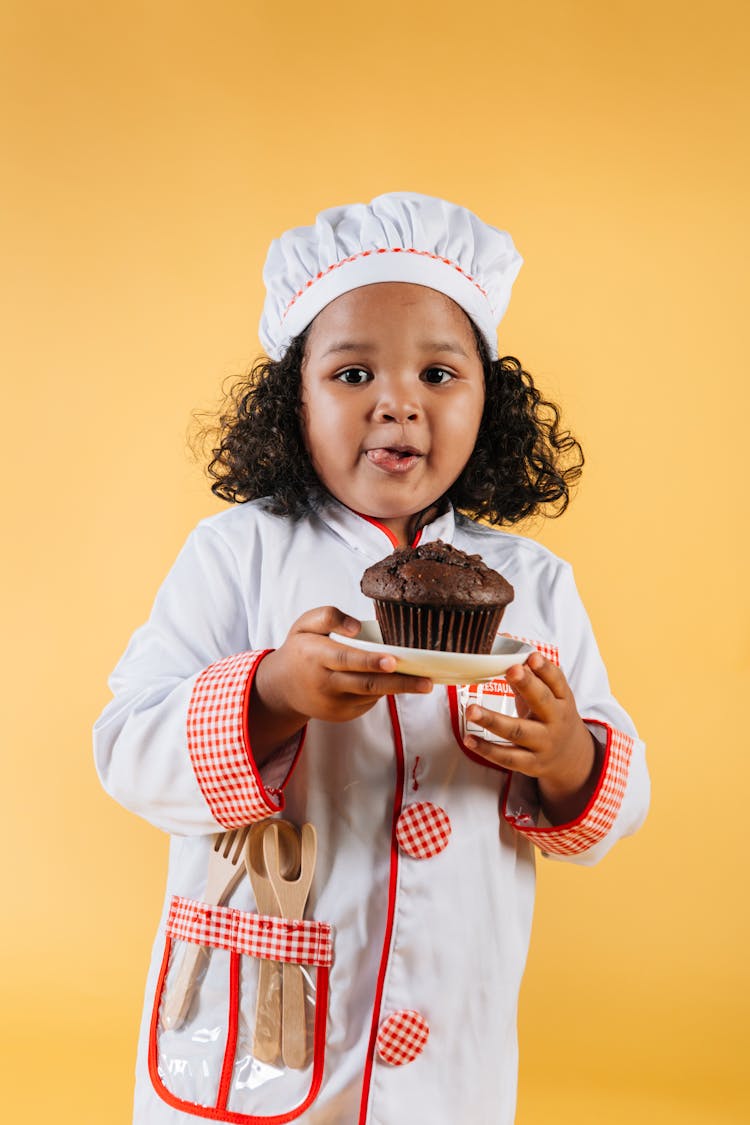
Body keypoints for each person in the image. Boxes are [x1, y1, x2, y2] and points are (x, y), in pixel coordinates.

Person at [94, 192, 650, 1125]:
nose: (397, 400)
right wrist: (269, 694)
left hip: (453, 1038)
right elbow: (125, 746)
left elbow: (617, 804)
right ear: (292, 401)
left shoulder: (534, 583)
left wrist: (569, 760)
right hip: (266, 1008)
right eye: (353, 374)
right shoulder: (239, 554)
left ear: (490, 402)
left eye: (439, 372)